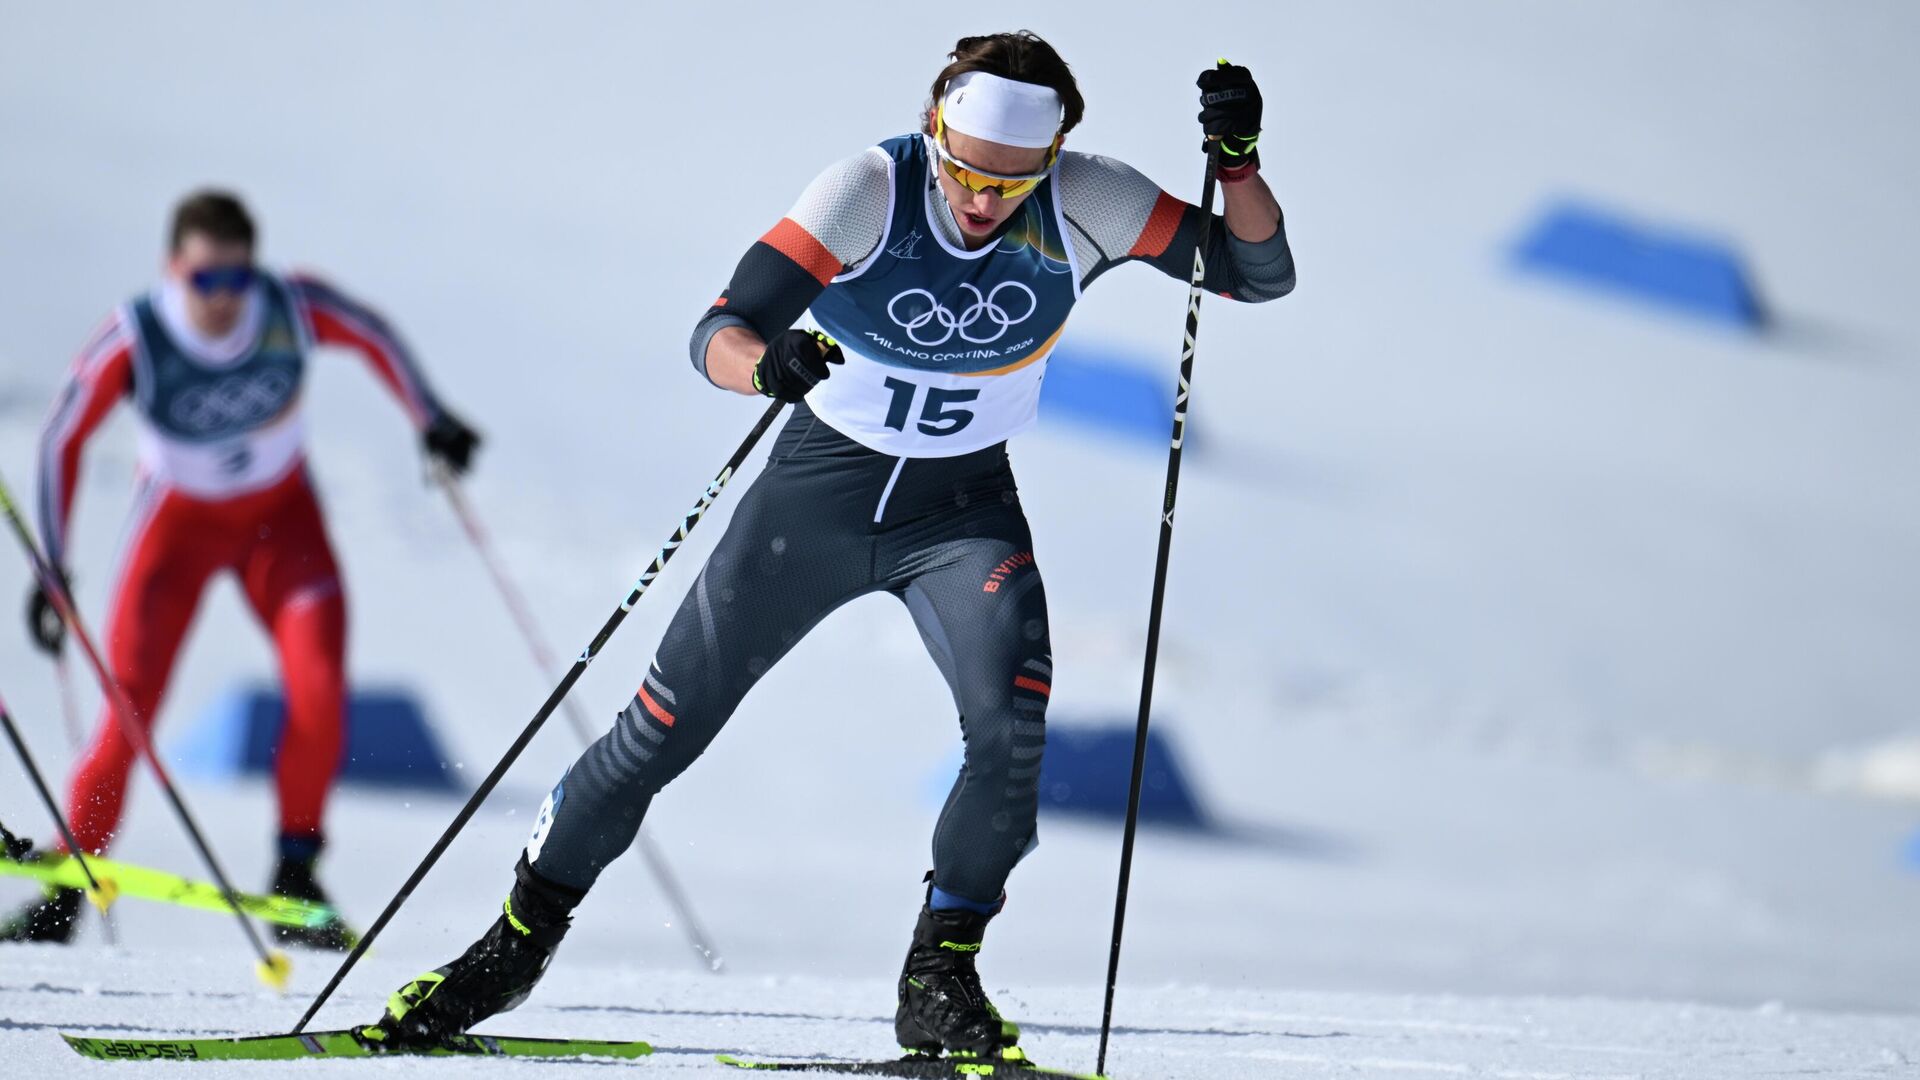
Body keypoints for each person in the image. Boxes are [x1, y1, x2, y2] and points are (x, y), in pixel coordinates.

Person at [366, 31, 1291, 1057]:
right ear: (935, 130)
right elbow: (718, 330)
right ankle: (514, 944)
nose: (984, 201)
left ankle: (940, 979)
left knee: (1010, 731)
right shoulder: (869, 191)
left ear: (1055, 155)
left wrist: (1237, 167)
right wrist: (764, 367)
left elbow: (1256, 272)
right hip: (812, 505)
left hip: (961, 515)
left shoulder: (1092, 200)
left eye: (1013, 181)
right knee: (658, 733)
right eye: (967, 172)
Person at [2, 190, 481, 949]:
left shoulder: (288, 306)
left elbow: (371, 333)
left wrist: (432, 417)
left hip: (280, 524)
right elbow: (63, 434)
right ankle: (66, 889)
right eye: (204, 279)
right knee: (128, 708)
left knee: (319, 689)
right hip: (176, 531)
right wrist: (51, 569)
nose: (222, 298)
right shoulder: (138, 334)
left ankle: (297, 873)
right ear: (172, 269)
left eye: (235, 278)